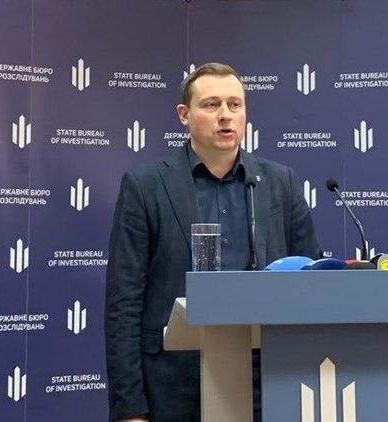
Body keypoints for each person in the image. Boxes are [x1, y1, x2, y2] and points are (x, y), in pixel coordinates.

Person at [105, 62, 321, 422]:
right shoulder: (145, 186)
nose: (225, 115)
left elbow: (310, 281)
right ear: (184, 115)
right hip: (174, 386)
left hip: (267, 384)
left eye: (235, 105)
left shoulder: (280, 183)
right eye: (211, 104)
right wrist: (130, 408)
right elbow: (123, 302)